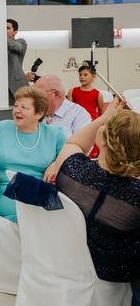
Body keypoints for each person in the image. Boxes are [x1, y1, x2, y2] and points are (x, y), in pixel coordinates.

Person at [55, 97, 140, 305]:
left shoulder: (73, 171)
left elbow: (74, 142)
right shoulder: (136, 193)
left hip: (73, 259)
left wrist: (104, 117)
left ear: (102, 140)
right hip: (118, 268)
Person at [0, 86, 65, 222]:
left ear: (39, 114)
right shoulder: (0, 129)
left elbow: (71, 156)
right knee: (29, 215)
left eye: (24, 107)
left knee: (62, 214)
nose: (17, 110)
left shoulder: (54, 134)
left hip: (40, 189)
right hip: (8, 190)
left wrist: (56, 163)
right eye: (16, 106)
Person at [35, 74, 91, 139]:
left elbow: (81, 145)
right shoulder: (33, 111)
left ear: (56, 93)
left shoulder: (79, 114)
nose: (34, 98)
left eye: (39, 94)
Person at [7, 19, 28, 105]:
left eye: (7, 28)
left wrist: (0, 36)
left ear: (15, 32)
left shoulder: (20, 42)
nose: (3, 30)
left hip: (17, 88)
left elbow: (17, 47)